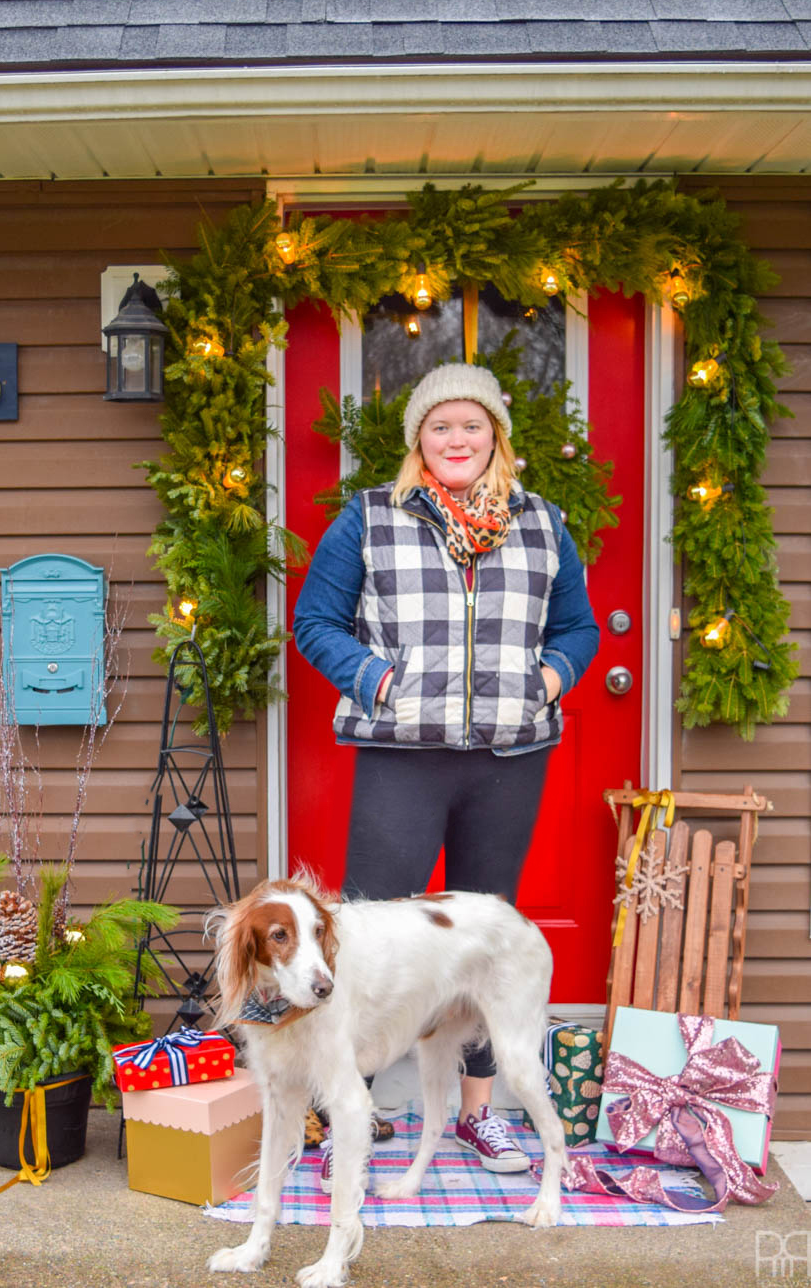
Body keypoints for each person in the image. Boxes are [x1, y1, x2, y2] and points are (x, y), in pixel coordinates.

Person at [293, 361, 599, 1180]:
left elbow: (578, 627)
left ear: (495, 435)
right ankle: (346, 1107)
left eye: (471, 425)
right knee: (359, 934)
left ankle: (477, 1115)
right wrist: (379, 681)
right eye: (439, 427)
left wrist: (550, 679)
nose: (456, 439)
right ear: (418, 441)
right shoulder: (370, 519)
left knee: (487, 935)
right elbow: (315, 621)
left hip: (508, 756)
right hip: (403, 754)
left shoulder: (543, 522)